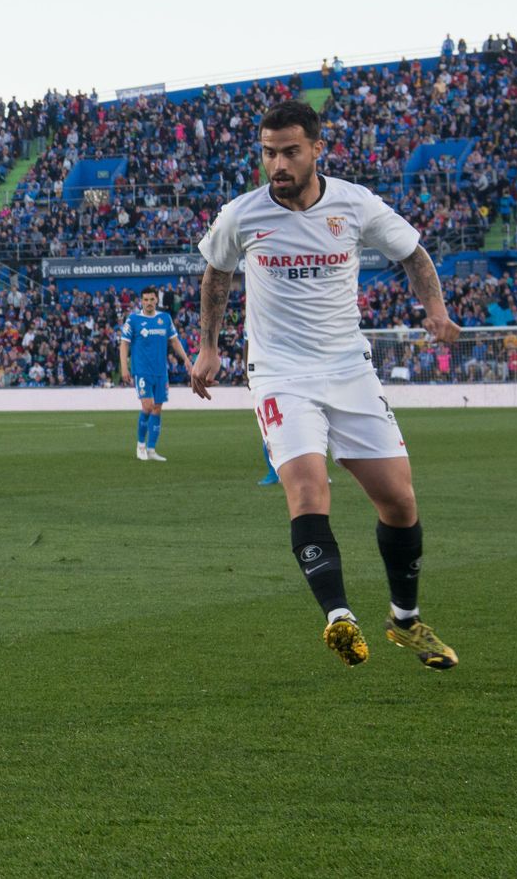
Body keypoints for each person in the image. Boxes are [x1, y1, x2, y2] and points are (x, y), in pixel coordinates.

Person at [190, 99, 459, 672]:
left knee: (399, 501)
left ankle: (405, 621)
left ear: (317, 148)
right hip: (280, 375)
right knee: (309, 490)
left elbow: (412, 253)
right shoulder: (242, 215)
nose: (277, 165)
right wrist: (209, 345)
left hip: (349, 370)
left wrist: (434, 309)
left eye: (289, 152)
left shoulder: (354, 204)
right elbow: (217, 272)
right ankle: (340, 618)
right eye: (268, 153)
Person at [117, 285, 192, 461]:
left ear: (156, 300)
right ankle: (140, 445)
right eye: (146, 300)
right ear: (141, 301)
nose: (149, 303)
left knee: (157, 408)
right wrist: (124, 367)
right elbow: (124, 344)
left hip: (161, 372)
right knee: (147, 406)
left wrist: (186, 359)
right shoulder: (133, 320)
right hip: (142, 371)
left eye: (152, 299)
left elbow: (174, 342)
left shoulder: (164, 319)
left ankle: (152, 449)